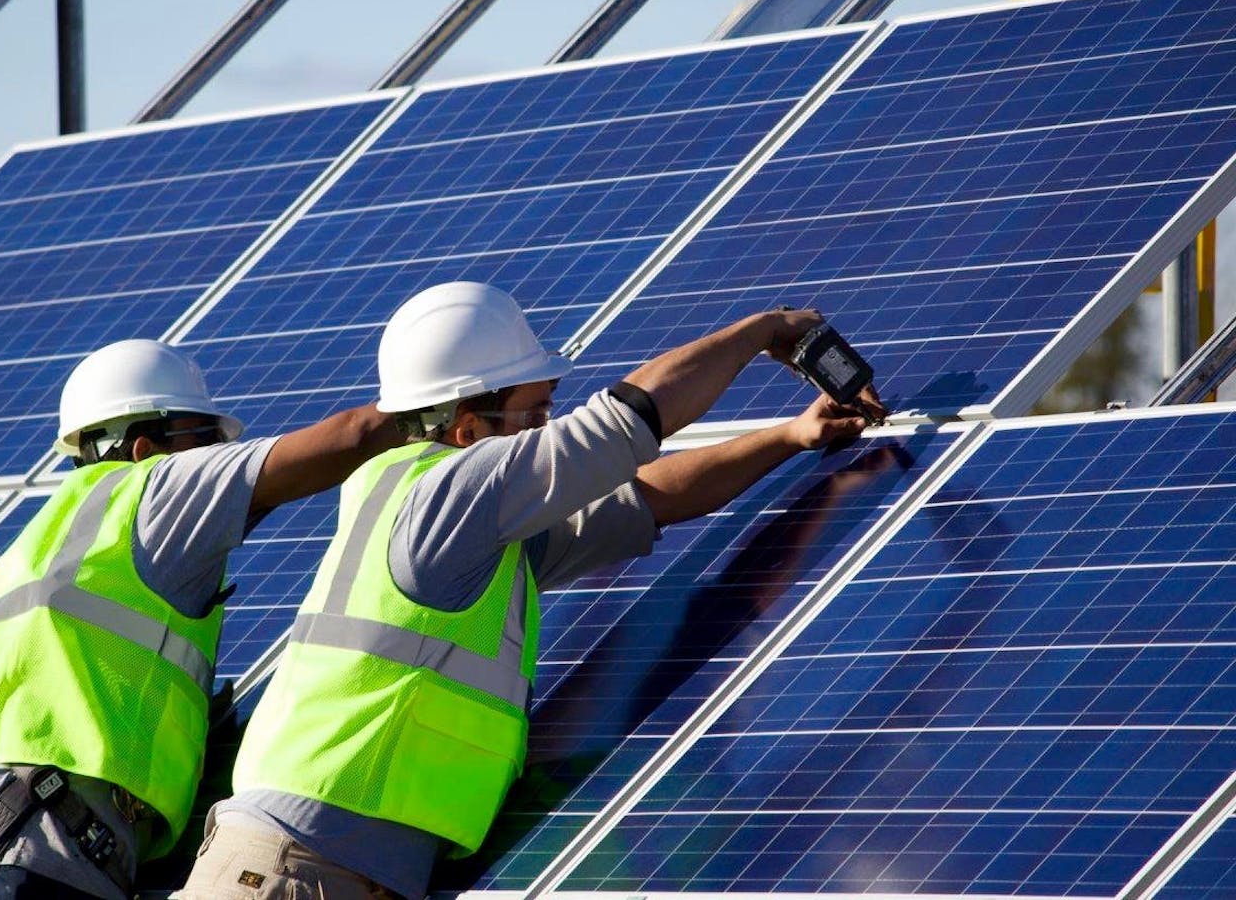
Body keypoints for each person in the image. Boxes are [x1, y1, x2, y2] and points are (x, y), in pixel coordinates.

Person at [172, 282, 888, 900]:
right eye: (534, 411)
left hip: (308, 867)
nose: (544, 429)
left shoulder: (454, 523)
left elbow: (640, 498)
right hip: (298, 871)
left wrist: (789, 436)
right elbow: (628, 423)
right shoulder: (449, 494)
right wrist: (761, 332)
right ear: (465, 425)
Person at [0, 339, 402, 900]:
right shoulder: (154, 489)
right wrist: (448, 406)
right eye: (202, 443)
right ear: (144, 447)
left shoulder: (39, 548)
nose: (215, 458)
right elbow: (354, 437)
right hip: (22, 844)